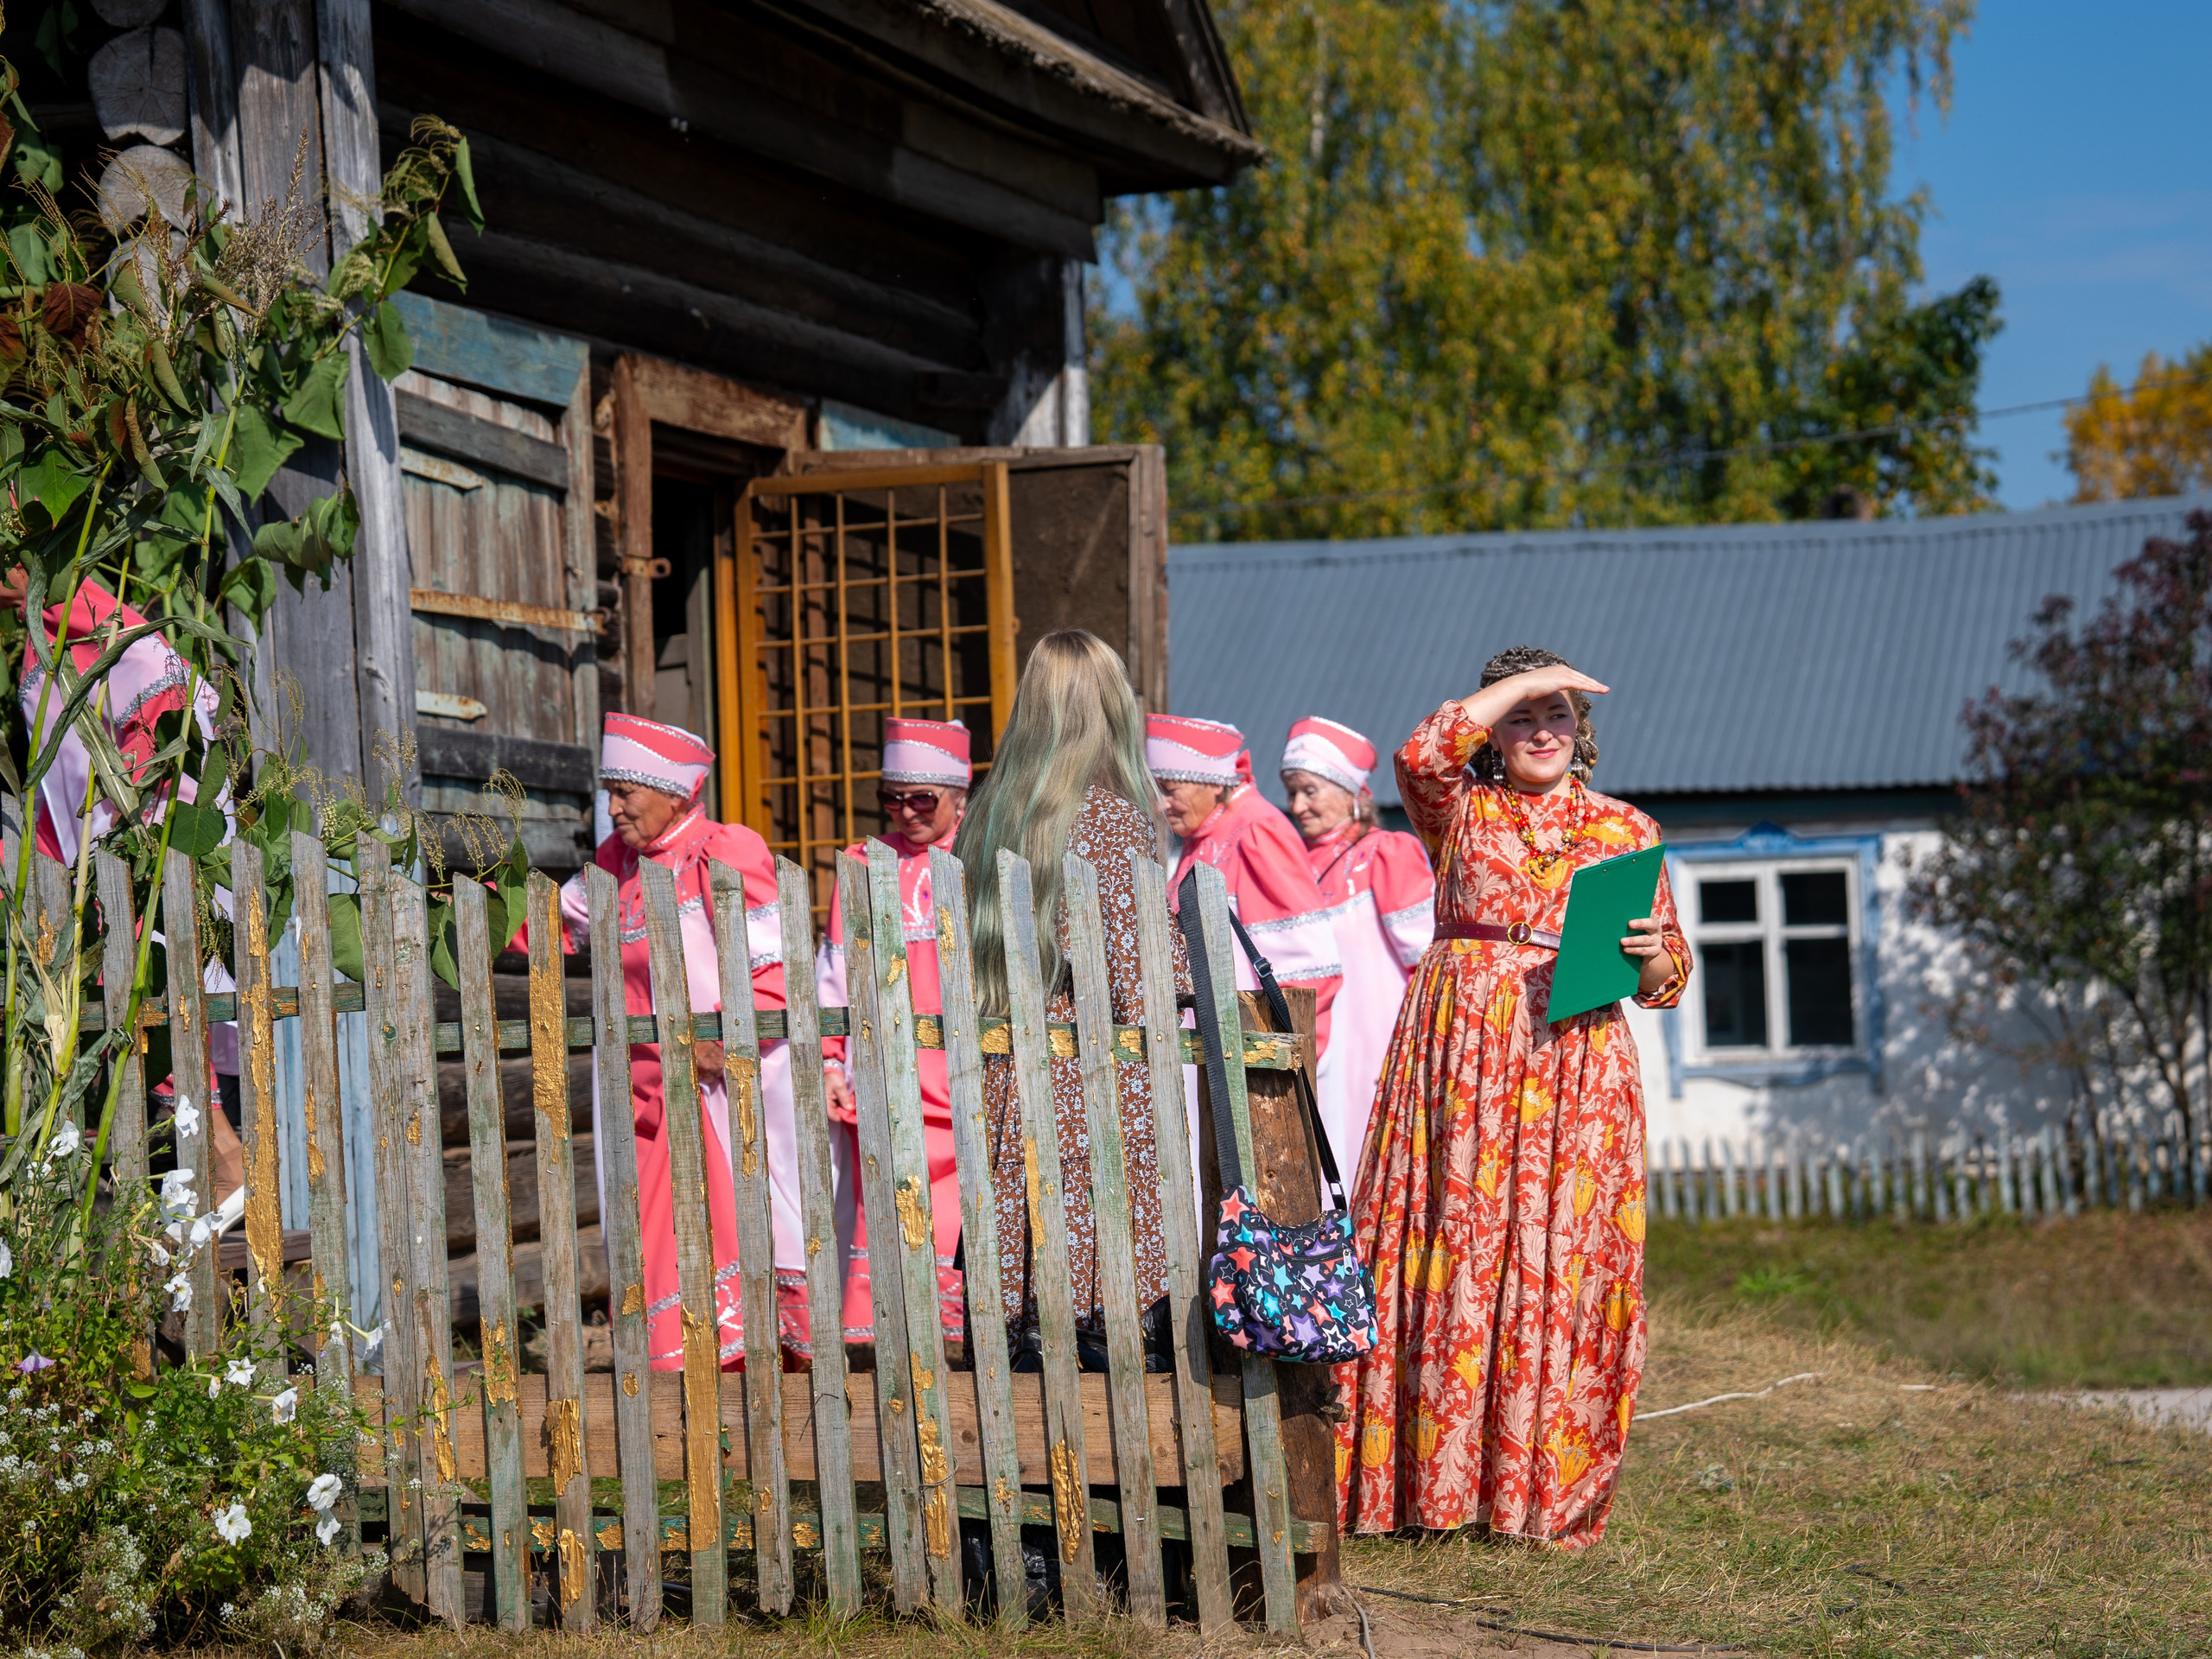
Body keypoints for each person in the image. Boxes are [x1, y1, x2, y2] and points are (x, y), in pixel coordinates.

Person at [1336, 646, 1691, 1548]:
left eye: (1561, 715)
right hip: (1464, 1057)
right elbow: (1417, 753)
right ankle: (1431, 1493)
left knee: (1558, 1263)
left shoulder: (1627, 829)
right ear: (1494, 732)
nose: (1543, 732)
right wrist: (1522, 684)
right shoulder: (1460, 807)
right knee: (1454, 1248)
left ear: (1584, 732)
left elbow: (1667, 980)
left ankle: (1532, 1500)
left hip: (1578, 1061)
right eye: (1525, 717)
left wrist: (1647, 949)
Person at [536, 714, 804, 1368]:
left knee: (729, 1233)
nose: (614, 806)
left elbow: (772, 969)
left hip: (718, 1088)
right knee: (659, 1244)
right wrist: (450, 912)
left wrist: (730, 1039)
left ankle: (750, 1402)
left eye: (627, 790)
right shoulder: (612, 865)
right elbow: (543, 925)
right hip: (639, 1094)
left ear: (676, 793)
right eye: (609, 790)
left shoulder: (724, 850)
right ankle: (683, 1409)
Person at [960, 631, 1190, 1355]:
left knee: (1024, 1236)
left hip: (1010, 1064)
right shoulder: (1113, 818)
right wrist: (1182, 962)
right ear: (1108, 709)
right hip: (1090, 1071)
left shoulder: (992, 812)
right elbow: (1138, 982)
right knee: (1101, 1287)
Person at [12, 571, 245, 1198]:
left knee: (157, 986)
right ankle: (198, 1163)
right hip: (114, 858)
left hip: (143, 853)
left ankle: (225, 1156)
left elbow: (160, 702)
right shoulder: (47, 640)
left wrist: (132, 806)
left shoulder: (95, 618)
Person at [817, 716, 970, 1346]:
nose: (905, 812)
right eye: (892, 798)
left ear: (960, 797)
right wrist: (830, 1060)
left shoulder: (980, 858)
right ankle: (879, 1337)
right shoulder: (861, 864)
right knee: (882, 1202)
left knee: (955, 1212)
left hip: (964, 1073)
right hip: (881, 1070)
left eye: (922, 800)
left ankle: (956, 1333)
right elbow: (834, 972)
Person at [1280, 716, 1435, 1173]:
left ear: (1349, 790)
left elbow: (1425, 961)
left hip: (1380, 1042)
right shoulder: (1292, 864)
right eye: (1291, 792)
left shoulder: (1387, 852)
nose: (1297, 805)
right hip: (1318, 1046)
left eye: (1310, 790)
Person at [1150, 714, 1340, 1054]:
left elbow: (1309, 969)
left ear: (1211, 781)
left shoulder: (1256, 831)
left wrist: (1279, 1063)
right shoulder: (1201, 835)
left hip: (1248, 1057)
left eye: (1169, 789)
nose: (1161, 805)